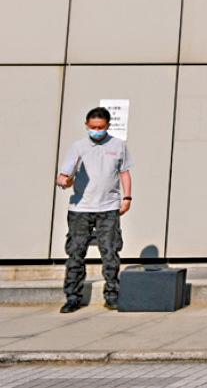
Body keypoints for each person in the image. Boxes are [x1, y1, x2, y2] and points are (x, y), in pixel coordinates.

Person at [55, 106, 133, 313]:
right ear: (86, 125)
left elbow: (124, 172)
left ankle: (112, 296)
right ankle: (72, 297)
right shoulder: (78, 147)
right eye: (93, 127)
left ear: (108, 125)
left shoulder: (118, 145)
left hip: (108, 207)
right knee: (75, 253)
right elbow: (64, 176)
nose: (96, 130)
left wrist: (127, 197)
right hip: (80, 209)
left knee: (110, 253)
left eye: (100, 127)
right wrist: (64, 181)